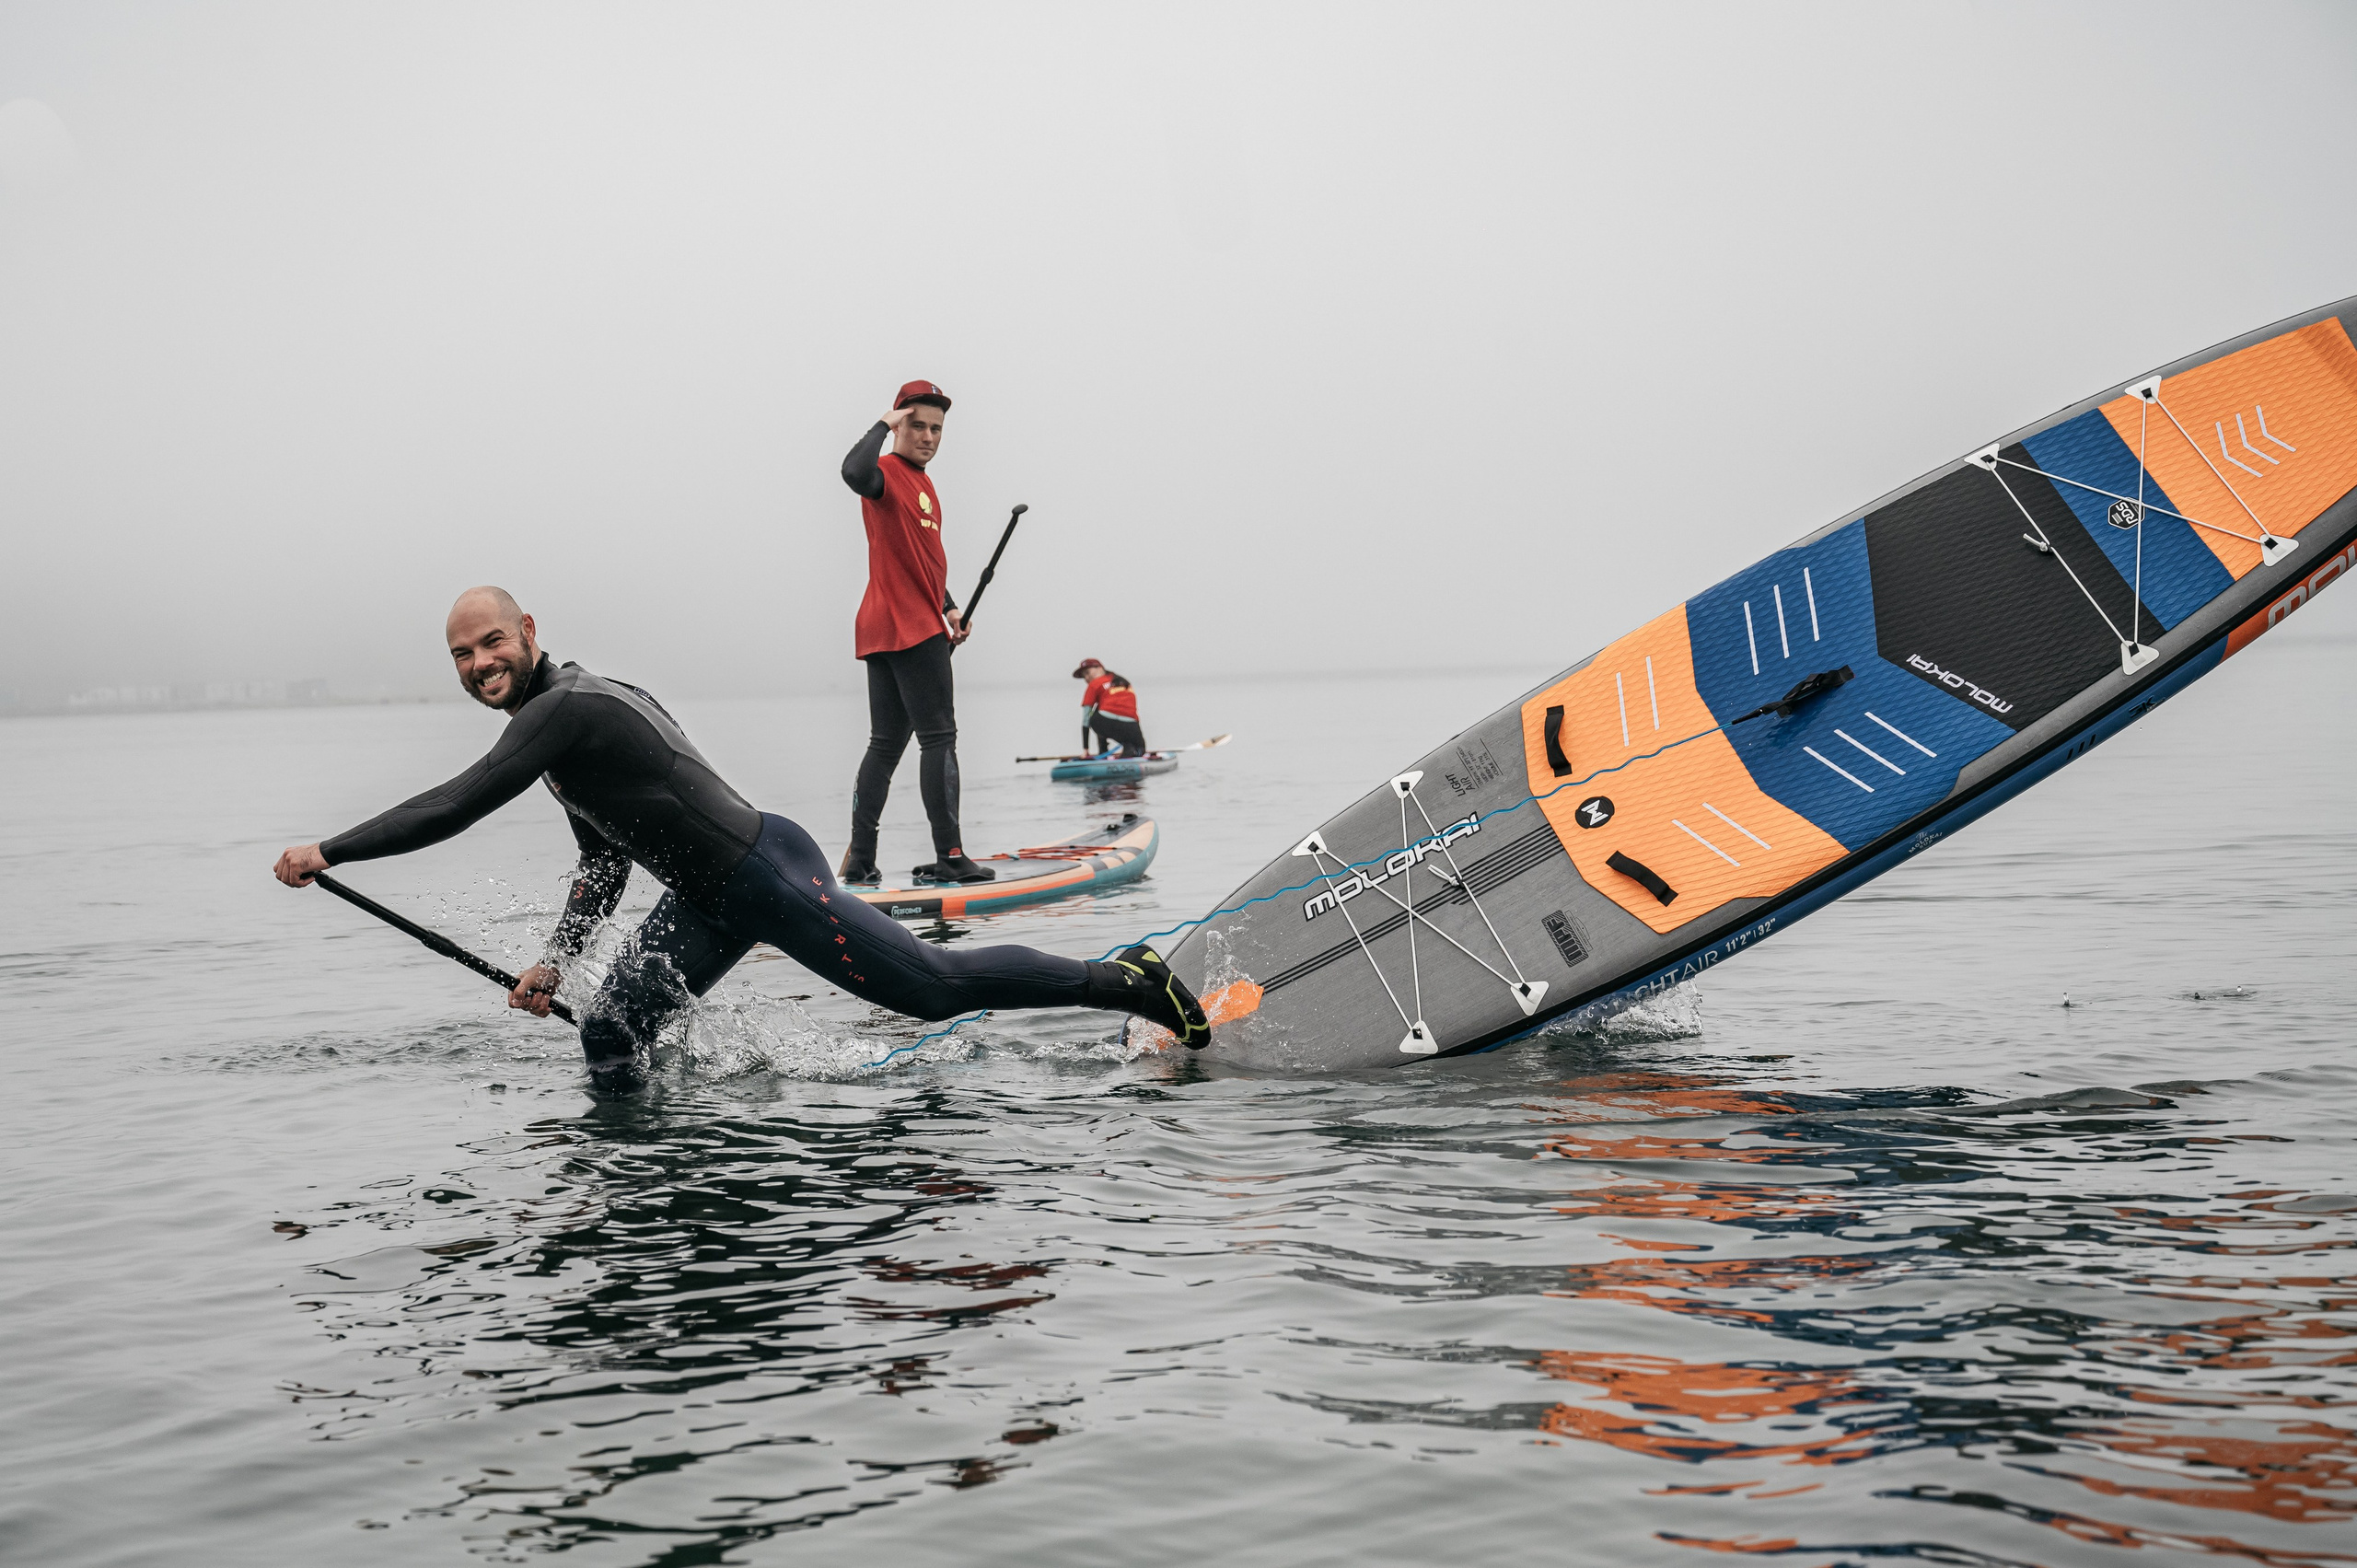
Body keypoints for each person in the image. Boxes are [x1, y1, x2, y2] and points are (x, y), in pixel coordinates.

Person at [270, 587, 1209, 1095]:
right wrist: (556, 962)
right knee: (611, 1028)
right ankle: (639, 1191)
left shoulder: (562, 711)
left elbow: (460, 801)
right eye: (461, 656)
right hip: (710, 893)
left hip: (761, 875)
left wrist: (332, 849)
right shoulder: (566, 720)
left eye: (489, 644)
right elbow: (603, 861)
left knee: (930, 987)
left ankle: (1125, 976)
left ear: (527, 631)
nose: (479, 665)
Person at [839, 379, 991, 887]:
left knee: (885, 745)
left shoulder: (924, 485)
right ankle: (951, 856)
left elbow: (921, 562)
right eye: (917, 425)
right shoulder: (883, 472)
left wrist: (947, 608)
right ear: (900, 425)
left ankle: (860, 861)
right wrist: (884, 421)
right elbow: (851, 471)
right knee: (939, 738)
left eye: (936, 428)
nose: (928, 436)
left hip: (894, 625)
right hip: (905, 627)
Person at [1073, 658, 1148, 757]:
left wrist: (1085, 749)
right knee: (1140, 749)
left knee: (1094, 715)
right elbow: (1131, 710)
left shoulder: (1094, 684)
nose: (1086, 678)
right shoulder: (1123, 681)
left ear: (1100, 668)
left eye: (1087, 673)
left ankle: (1103, 750)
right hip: (1132, 725)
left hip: (1107, 722)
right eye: (1084, 676)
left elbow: (1086, 719)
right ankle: (1129, 748)